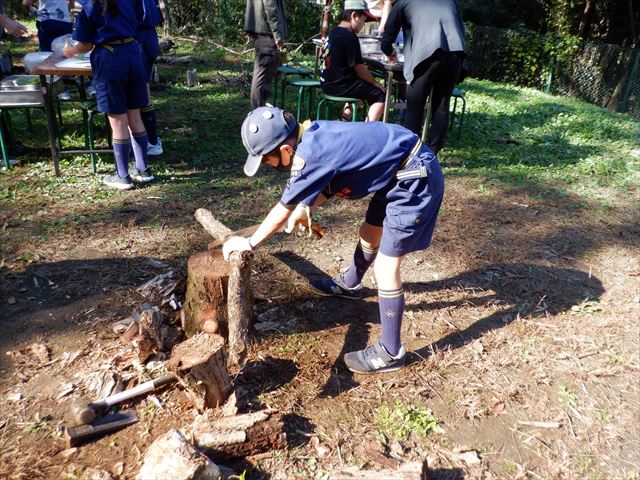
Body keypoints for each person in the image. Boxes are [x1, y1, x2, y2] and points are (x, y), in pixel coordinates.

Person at [223, 106, 445, 374]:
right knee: (369, 232)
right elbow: (333, 177)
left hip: (413, 179)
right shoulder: (310, 134)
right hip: (394, 172)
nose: (267, 166)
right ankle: (351, 284)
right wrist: (306, 205)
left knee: (386, 268)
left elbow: (282, 211)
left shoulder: (309, 156)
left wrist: (249, 243)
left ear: (285, 150)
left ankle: (391, 351)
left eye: (266, 160)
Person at [64, 0, 154, 190]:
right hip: (132, 53)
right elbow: (138, 20)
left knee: (119, 121)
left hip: (110, 59)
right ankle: (143, 170)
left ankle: (122, 176)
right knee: (135, 117)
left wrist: (71, 51)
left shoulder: (90, 5)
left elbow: (86, 44)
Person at [381, 0, 465, 153]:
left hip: (428, 54)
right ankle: (433, 152)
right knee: (441, 105)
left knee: (415, 105)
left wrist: (388, 51)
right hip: (455, 53)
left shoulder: (403, 2)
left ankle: (412, 152)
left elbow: (389, 32)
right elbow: (460, 29)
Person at [320, 0, 385, 122]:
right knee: (380, 94)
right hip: (340, 86)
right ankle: (367, 130)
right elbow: (360, 69)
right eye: (363, 20)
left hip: (326, 83)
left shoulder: (334, 31)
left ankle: (344, 120)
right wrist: (375, 83)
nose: (363, 25)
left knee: (361, 86)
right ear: (354, 16)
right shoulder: (350, 36)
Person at [244, 0, 287, 110]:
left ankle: (258, 112)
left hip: (261, 32)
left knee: (262, 75)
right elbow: (270, 6)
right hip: (266, 33)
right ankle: (257, 114)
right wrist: (278, 35)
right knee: (261, 77)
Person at [136, 0, 163, 155]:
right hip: (147, 35)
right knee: (142, 89)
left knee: (142, 92)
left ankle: (151, 141)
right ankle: (151, 140)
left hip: (139, 37)